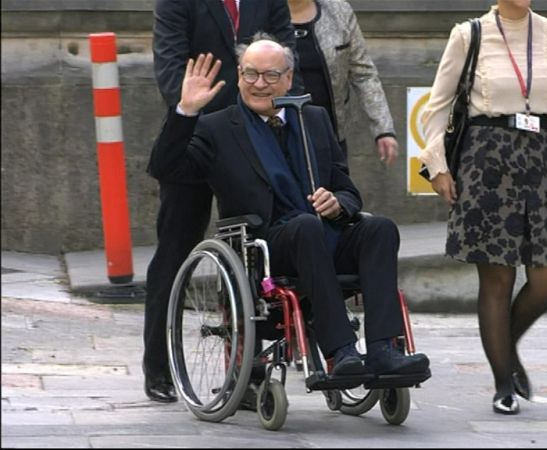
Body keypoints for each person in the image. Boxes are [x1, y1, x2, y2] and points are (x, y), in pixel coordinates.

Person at [149, 38, 430, 384]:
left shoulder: (313, 118)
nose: (259, 84)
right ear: (239, 75)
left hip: (323, 234)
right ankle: (340, 351)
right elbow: (166, 168)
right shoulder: (217, 128)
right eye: (250, 74)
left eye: (270, 75)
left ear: (288, 77)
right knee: (305, 226)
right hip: (266, 247)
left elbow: (348, 191)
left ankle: (384, 350)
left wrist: (338, 202)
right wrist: (186, 112)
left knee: (380, 228)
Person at [419, 0, 547, 414]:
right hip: (487, 159)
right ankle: (503, 382)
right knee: (497, 278)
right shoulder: (469, 34)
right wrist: (436, 165)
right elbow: (437, 106)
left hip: (543, 157)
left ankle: (507, 343)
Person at [144, 0, 297, 403]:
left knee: (253, 251)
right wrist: (207, 119)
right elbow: (171, 69)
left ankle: (247, 370)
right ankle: (158, 366)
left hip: (252, 138)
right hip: (197, 134)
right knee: (175, 249)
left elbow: (282, 57)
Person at [287, 0, 398, 164]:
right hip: (276, 137)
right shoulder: (259, 12)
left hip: (330, 136)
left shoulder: (339, 11)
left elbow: (363, 74)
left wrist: (384, 130)